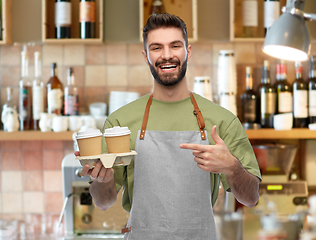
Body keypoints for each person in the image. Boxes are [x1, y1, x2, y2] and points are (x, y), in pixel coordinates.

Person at [76, 13, 261, 239]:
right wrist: (102, 181)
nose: (166, 55)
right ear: (146, 56)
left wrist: (233, 167)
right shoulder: (120, 123)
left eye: (175, 46)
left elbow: (251, 198)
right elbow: (104, 202)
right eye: (156, 48)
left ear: (188, 51)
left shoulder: (221, 120)